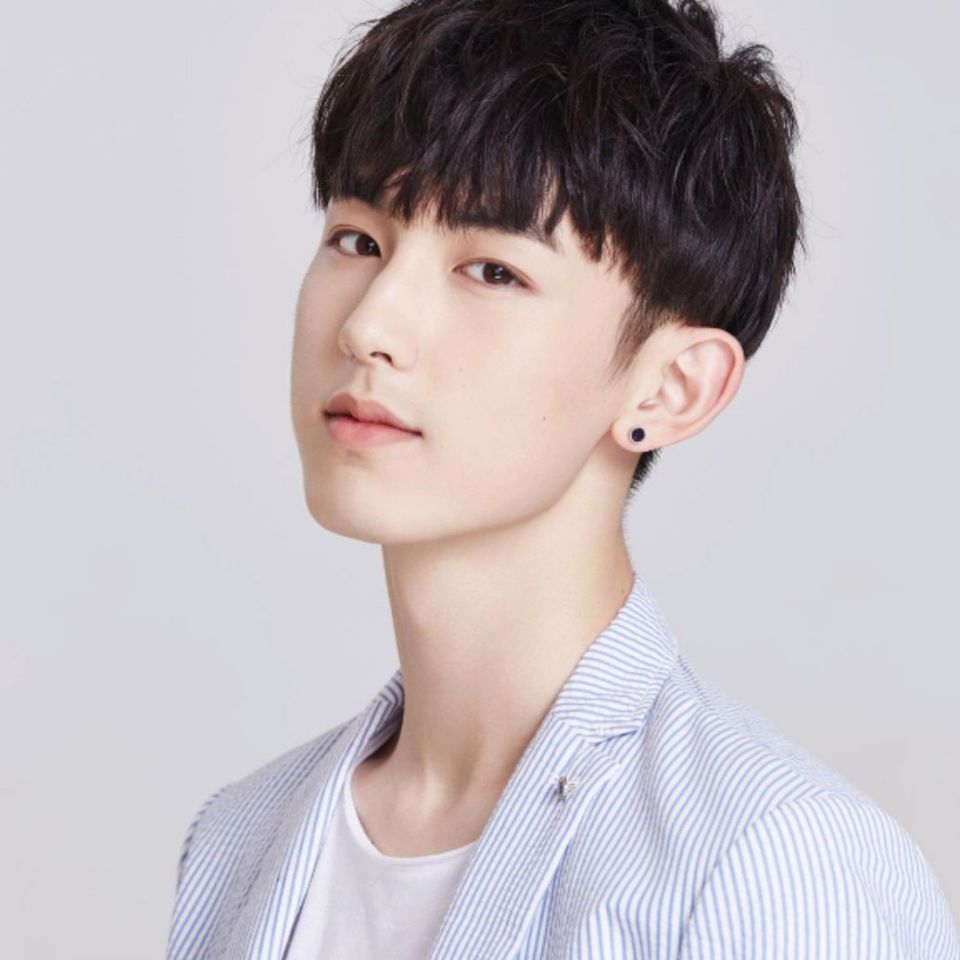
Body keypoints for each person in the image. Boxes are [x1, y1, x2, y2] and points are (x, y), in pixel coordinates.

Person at [166, 0, 960, 957]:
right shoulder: (238, 840)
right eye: (358, 240)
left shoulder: (767, 865)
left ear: (672, 386)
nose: (369, 325)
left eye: (492, 271)